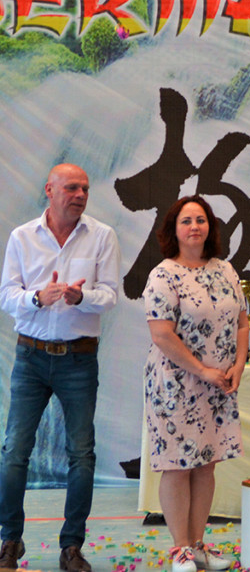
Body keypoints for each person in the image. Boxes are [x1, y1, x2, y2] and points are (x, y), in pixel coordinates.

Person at [0, 164, 120, 572]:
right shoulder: (22, 237)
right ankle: (9, 540)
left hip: (79, 359)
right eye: (71, 188)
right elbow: (7, 295)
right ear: (49, 190)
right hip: (30, 357)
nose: (80, 195)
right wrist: (38, 298)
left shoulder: (102, 235)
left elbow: (110, 296)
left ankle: (72, 547)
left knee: (81, 454)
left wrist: (80, 298)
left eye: (84, 188)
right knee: (14, 451)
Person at [142, 196, 247, 572]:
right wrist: (202, 370)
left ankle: (198, 545)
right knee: (178, 466)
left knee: (206, 466)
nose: (194, 227)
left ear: (210, 227)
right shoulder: (163, 275)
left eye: (200, 220)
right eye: (186, 221)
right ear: (173, 230)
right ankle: (180, 549)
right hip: (176, 384)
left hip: (218, 387)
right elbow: (162, 335)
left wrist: (239, 365)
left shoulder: (226, 269)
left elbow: (242, 323)